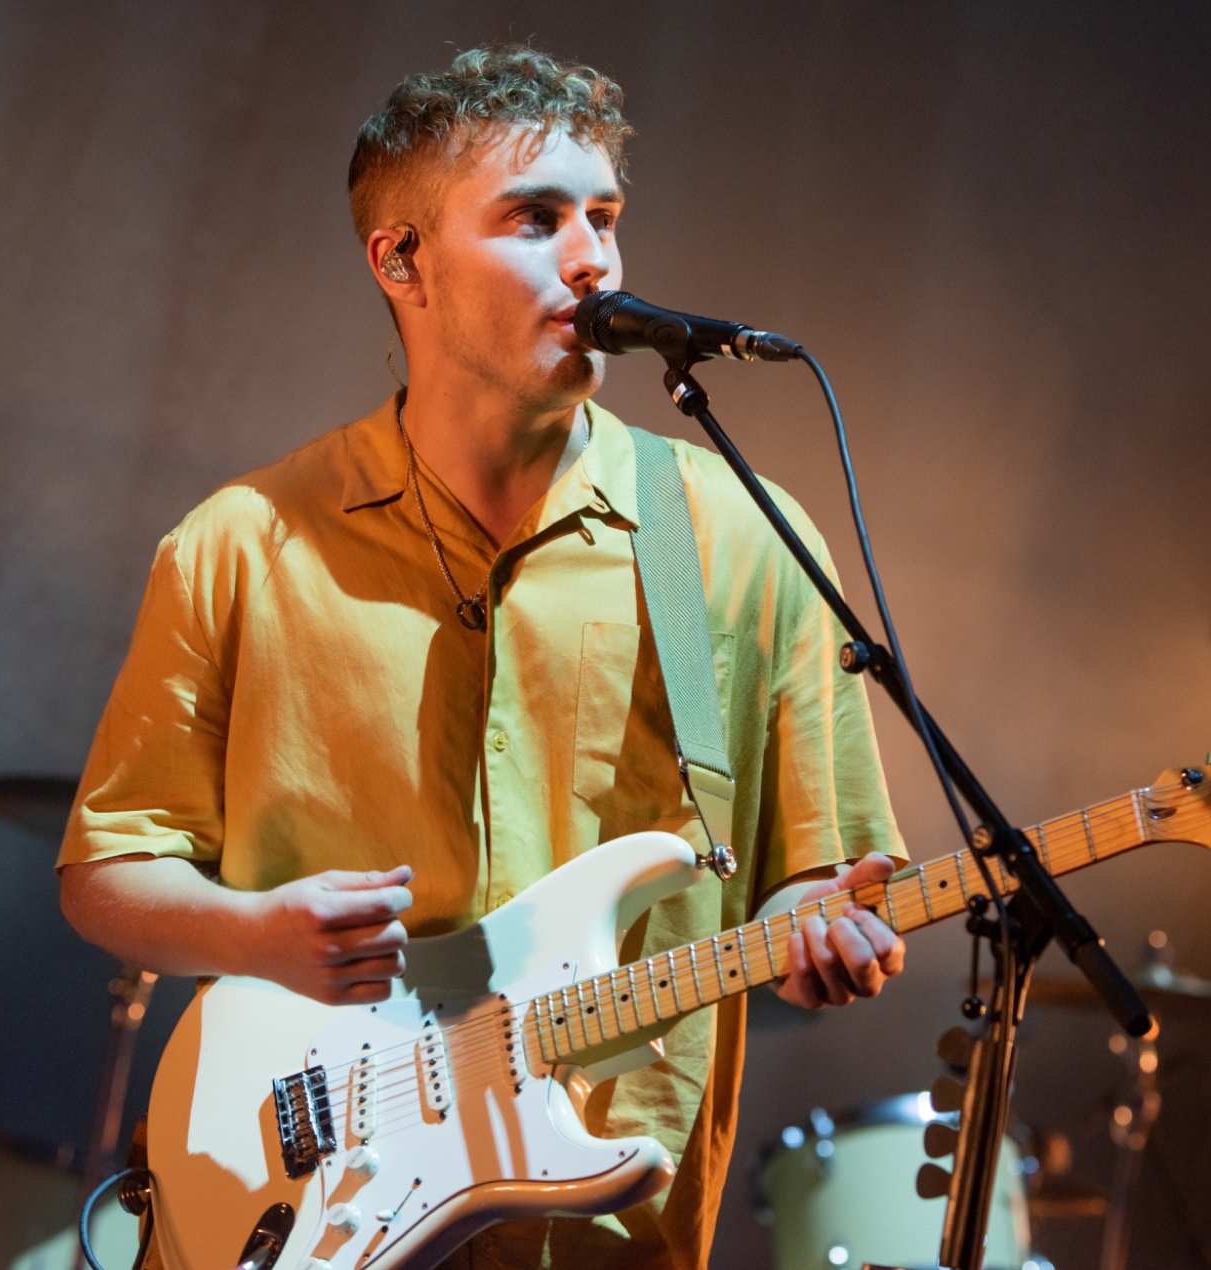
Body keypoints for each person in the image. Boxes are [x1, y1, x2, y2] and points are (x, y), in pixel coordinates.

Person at [58, 45, 907, 1270]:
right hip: (309, 1210)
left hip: (616, 1226)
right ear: (398, 259)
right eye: (534, 218)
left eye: (603, 216)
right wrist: (257, 933)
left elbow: (806, 878)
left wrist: (816, 924)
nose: (593, 258)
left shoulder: (737, 536)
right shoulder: (238, 543)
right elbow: (104, 871)